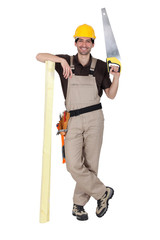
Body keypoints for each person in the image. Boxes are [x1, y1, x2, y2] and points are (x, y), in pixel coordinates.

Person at [36, 24, 120, 221]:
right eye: (80, 40)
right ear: (75, 42)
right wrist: (59, 61)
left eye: (88, 40)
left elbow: (111, 95)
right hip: (72, 118)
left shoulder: (100, 66)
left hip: (95, 118)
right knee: (73, 164)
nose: (84, 44)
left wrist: (116, 77)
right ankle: (102, 193)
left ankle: (78, 205)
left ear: (92, 44)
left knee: (90, 164)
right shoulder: (66, 60)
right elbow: (39, 56)